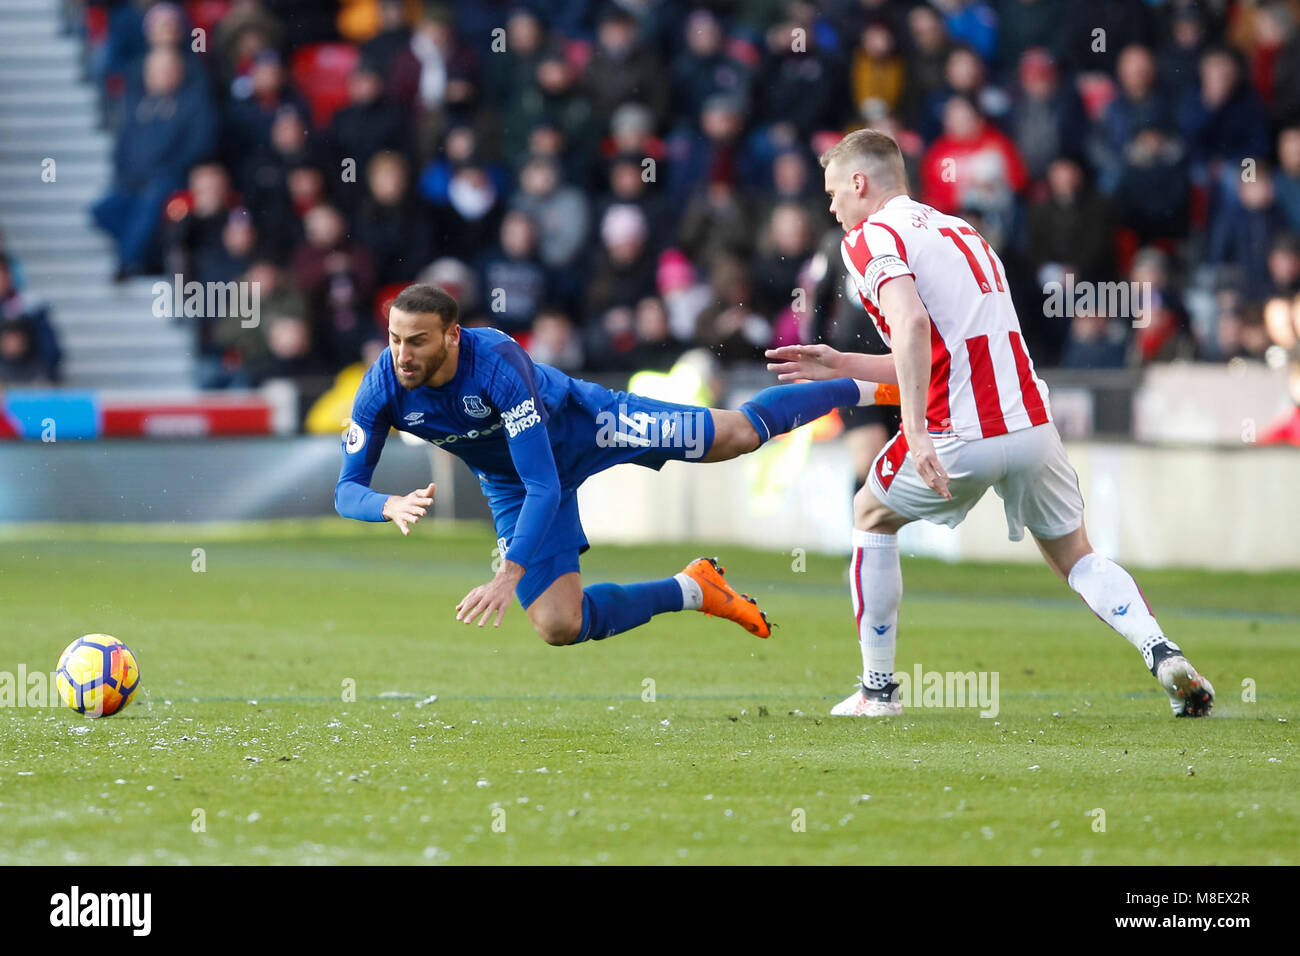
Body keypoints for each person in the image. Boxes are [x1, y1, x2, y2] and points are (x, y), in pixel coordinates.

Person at [766, 129, 1214, 718]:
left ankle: (878, 692)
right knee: (1076, 554)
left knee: (870, 515)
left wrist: (917, 431)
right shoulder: (961, 231)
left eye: (832, 192)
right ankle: (1162, 652)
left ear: (860, 183)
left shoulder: (869, 238)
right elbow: (938, 345)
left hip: (959, 432)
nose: (830, 207)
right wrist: (843, 362)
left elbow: (913, 327)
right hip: (1030, 425)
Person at [335, 283, 898, 647]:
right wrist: (385, 504)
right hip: (512, 480)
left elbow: (544, 484)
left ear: (452, 336)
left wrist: (509, 571)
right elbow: (346, 490)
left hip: (587, 424)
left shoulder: (497, 367)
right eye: (394, 339)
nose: (402, 355)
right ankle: (694, 588)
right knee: (560, 625)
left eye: (416, 341)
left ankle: (876, 388)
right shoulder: (383, 383)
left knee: (736, 434)